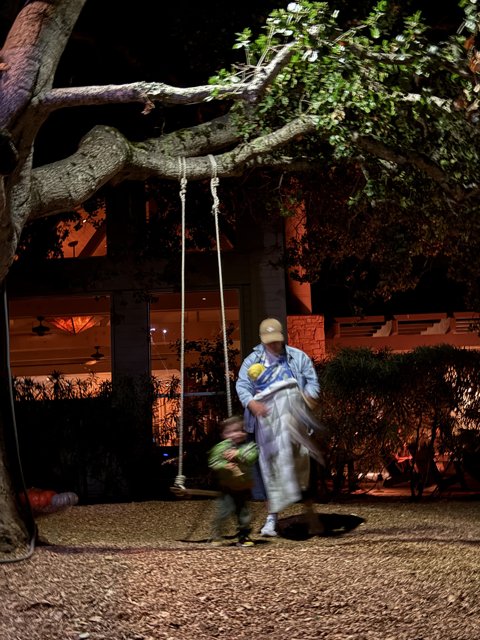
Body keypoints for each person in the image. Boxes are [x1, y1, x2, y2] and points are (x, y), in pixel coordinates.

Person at [236, 317, 325, 537]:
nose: (273, 345)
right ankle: (271, 518)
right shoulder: (252, 360)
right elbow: (242, 385)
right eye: (269, 342)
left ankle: (310, 513)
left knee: (301, 467)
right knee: (270, 467)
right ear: (262, 340)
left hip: (294, 421)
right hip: (266, 423)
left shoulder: (297, 357)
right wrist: (252, 403)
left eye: (276, 341)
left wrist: (307, 397)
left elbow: (312, 381)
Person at [208, 415, 259, 547]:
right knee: (224, 511)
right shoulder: (220, 448)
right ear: (224, 434)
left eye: (240, 430)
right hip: (227, 488)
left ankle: (243, 536)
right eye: (231, 431)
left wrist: (238, 454)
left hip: (243, 487)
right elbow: (213, 462)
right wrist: (224, 466)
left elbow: (252, 456)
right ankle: (217, 533)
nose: (237, 434)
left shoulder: (248, 447)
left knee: (244, 514)